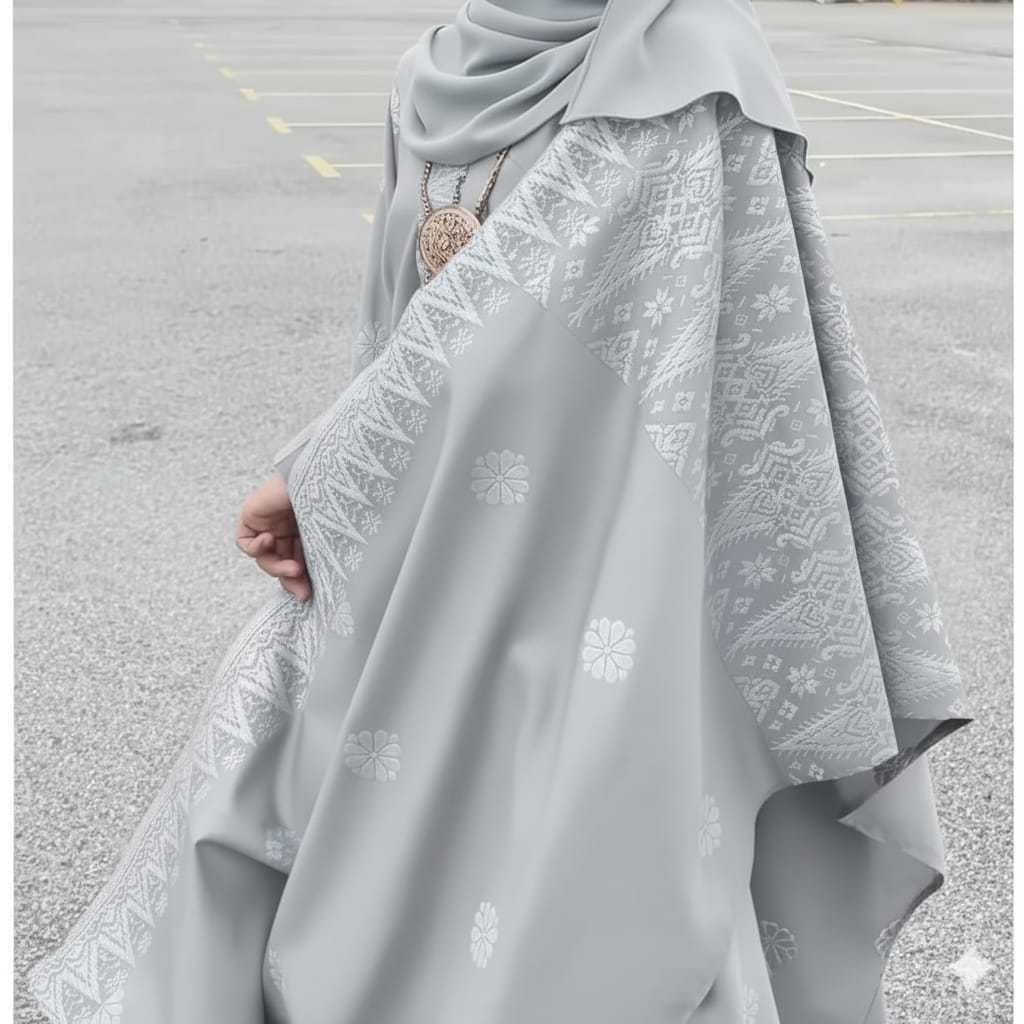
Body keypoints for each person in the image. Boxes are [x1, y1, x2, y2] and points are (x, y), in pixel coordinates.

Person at [29, 1, 974, 1021]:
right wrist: (334, 488)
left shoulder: (690, 64)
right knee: (340, 833)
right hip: (437, 545)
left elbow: (585, 327)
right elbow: (398, 336)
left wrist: (324, 469)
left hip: (608, 564)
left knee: (583, 896)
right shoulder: (432, 73)